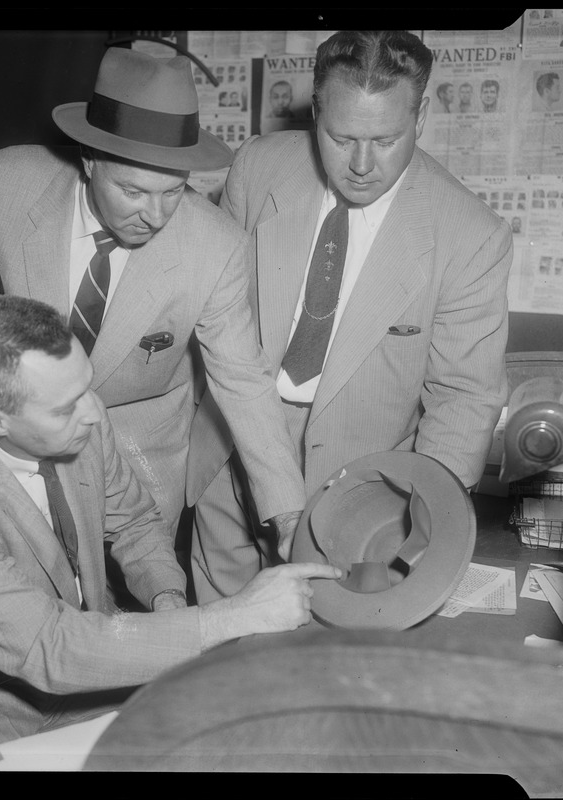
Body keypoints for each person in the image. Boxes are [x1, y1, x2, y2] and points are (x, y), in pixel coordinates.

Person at [0, 296, 342, 769]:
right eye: (65, 407)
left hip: (88, 653)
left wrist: (168, 600)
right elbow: (48, 648)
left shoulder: (82, 418)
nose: (92, 412)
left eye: (87, 386)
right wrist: (231, 617)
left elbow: (136, 523)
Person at [0, 47, 307, 555]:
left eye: (173, 192)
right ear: (89, 161)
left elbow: (243, 380)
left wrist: (287, 515)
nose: (154, 215)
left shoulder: (217, 246)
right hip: (13, 443)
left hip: (141, 457)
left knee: (140, 608)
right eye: (134, 192)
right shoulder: (5, 186)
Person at [187, 30, 512, 602]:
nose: (361, 165)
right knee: (217, 659)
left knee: (320, 660)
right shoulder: (258, 168)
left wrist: (414, 520)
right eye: (340, 138)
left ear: (422, 114)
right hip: (234, 444)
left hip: (362, 481)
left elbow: (463, 397)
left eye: (386, 139)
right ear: (315, 112)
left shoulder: (469, 235)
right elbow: (218, 316)